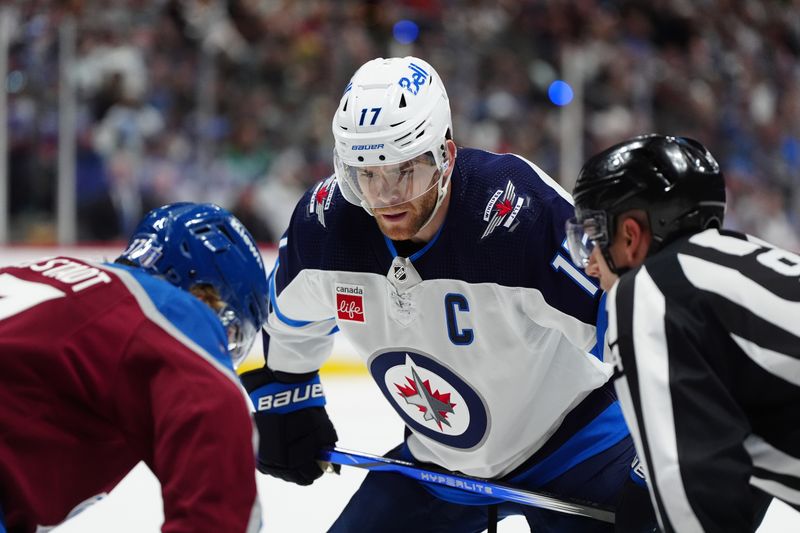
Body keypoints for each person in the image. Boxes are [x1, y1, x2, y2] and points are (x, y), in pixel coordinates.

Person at [241, 56, 655, 532]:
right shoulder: (328, 224)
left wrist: (655, 466)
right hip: (437, 465)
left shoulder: (515, 214)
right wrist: (290, 397)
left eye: (405, 172)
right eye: (366, 175)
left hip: (580, 452)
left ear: (446, 157)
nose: (386, 197)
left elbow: (631, 326)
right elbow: (290, 318)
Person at [566, 133, 798, 532]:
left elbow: (694, 504)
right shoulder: (738, 263)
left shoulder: (649, 291)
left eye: (595, 234)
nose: (589, 265)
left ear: (631, 236)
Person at [0, 202, 269, 533]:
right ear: (205, 293)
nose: (220, 346)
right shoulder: (174, 311)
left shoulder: (40, 272)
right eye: (229, 332)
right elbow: (223, 515)